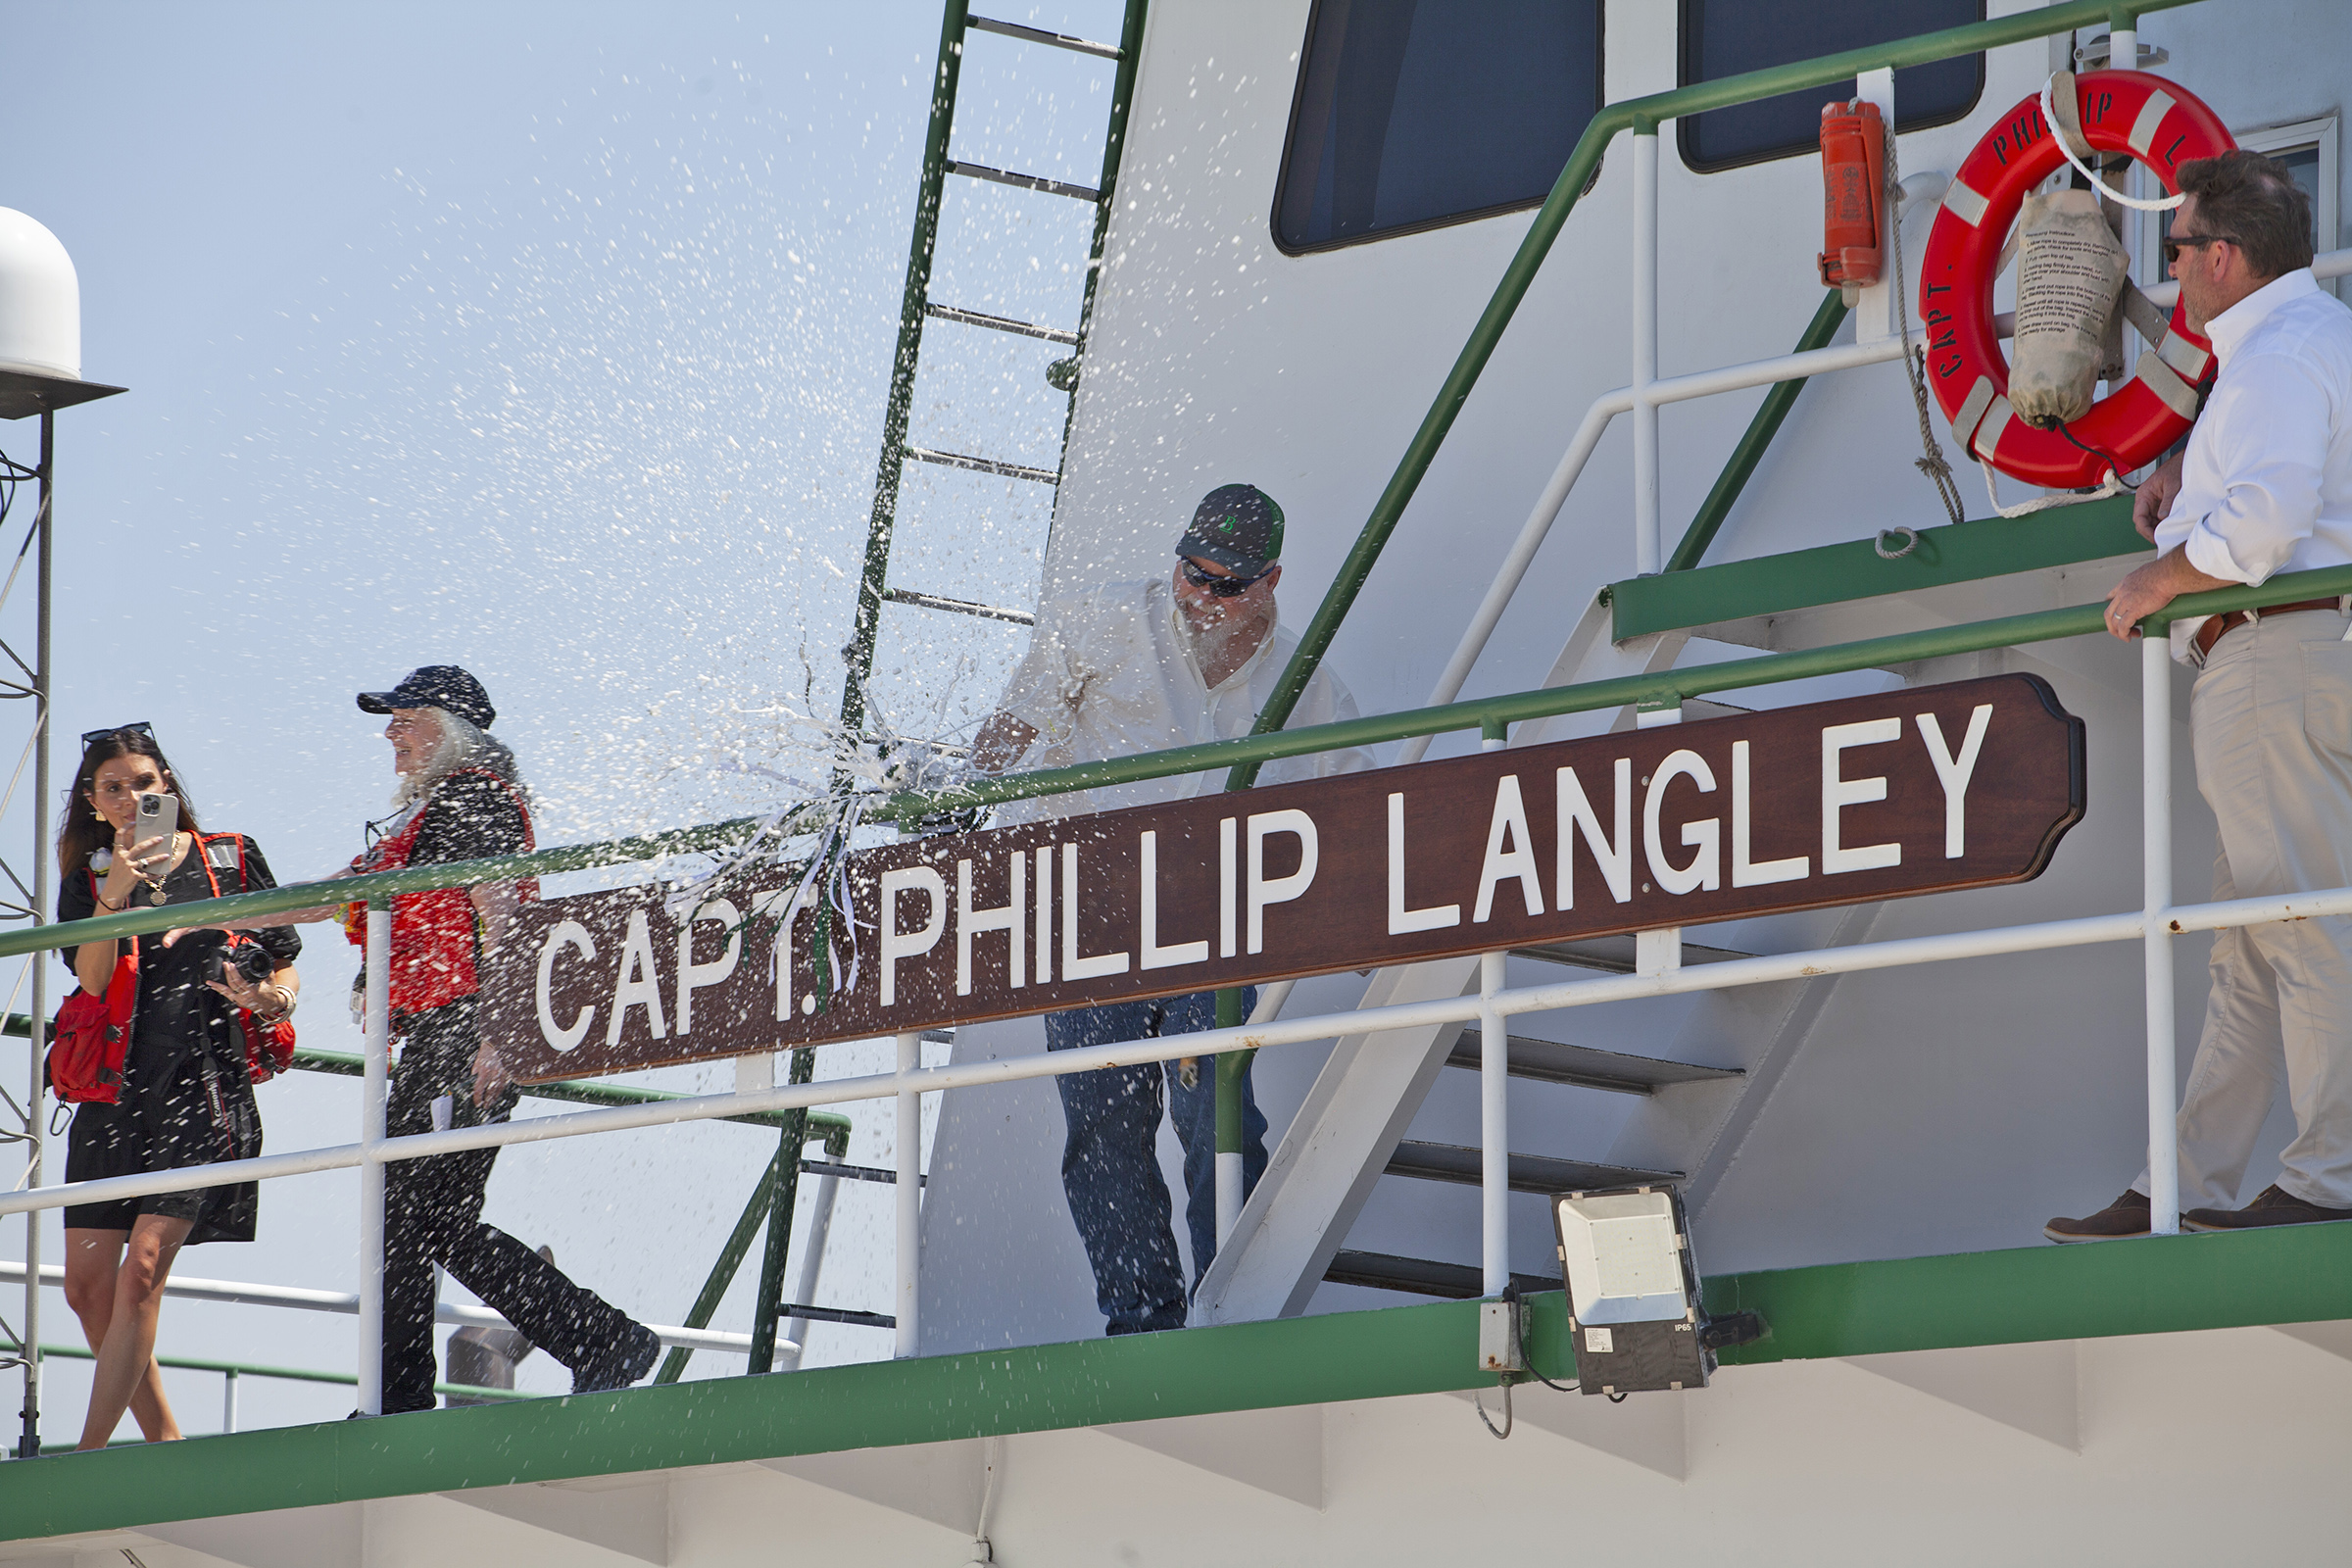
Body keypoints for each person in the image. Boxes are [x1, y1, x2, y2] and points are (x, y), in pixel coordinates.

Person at [197, 666, 661, 1407]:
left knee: (424, 1219)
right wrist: (215, 914)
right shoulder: (434, 813)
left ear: (450, 728)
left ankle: (595, 1337)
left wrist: (497, 1034)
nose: (390, 733)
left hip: (466, 1030)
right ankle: (408, 1393)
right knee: (405, 1222)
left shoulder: (474, 797)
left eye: (404, 718)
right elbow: (338, 894)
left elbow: (501, 909)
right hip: (439, 1037)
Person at [971, 484, 1372, 1332]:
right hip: (1090, 918)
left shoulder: (1310, 688)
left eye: (1226, 584)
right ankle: (1139, 1319)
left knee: (1214, 1111)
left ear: (1269, 582)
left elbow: (1359, 824)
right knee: (1103, 1128)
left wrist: (1379, 929)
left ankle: (1235, 1310)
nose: (1202, 596)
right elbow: (1011, 727)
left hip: (1213, 927)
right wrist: (963, 797)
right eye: (1192, 573)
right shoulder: (1101, 623)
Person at [2049, 150, 2352, 1240]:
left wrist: (2160, 578)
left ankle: (2332, 1178)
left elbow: (2268, 530)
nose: (2168, 268)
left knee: (2300, 927)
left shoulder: (2272, 357)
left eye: (2174, 248)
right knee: (2249, 944)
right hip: (2305, 659)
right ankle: (2185, 1183)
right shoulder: (2316, 342)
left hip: (2271, 658)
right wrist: (2185, 487)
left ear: (2223, 258)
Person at [57, 725, 301, 1449]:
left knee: (143, 1271)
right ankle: (166, 1444)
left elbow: (284, 955)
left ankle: (87, 1456)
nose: (133, 799)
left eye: (144, 783)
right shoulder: (92, 874)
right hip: (113, 1095)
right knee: (86, 1291)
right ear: (95, 803)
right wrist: (118, 892)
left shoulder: (228, 857)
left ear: (168, 785)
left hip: (201, 1087)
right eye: (114, 789)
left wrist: (272, 1001)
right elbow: (93, 979)